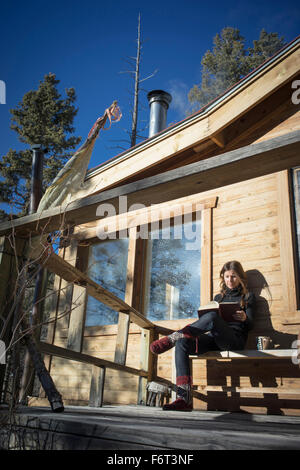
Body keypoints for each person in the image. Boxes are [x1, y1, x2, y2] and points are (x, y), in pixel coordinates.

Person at [150, 260, 256, 411]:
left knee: (212, 317)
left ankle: (173, 337)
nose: (230, 280)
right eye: (226, 277)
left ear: (240, 277)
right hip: (214, 338)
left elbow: (251, 325)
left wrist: (245, 318)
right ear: (223, 277)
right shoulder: (218, 298)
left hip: (234, 340)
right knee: (183, 344)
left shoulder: (248, 297)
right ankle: (183, 399)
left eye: (233, 276)